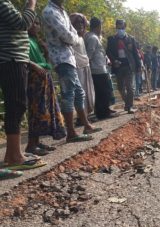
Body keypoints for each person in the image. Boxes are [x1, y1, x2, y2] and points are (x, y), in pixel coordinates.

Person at [43, 0, 101, 143]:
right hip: (61, 58)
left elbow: (73, 32)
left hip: (69, 57)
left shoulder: (61, 11)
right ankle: (71, 132)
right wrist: (76, 38)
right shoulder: (50, 12)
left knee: (79, 93)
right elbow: (68, 36)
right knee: (68, 95)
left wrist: (74, 36)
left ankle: (86, 125)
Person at [0, 0, 46, 174]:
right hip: (11, 60)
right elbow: (23, 24)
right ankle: (15, 157)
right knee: (17, 105)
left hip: (13, 59)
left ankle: (11, 154)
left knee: (15, 105)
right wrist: (31, 4)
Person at [26, 16, 66, 156]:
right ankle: (31, 144)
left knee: (44, 110)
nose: (36, 26)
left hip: (43, 78)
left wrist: (47, 52)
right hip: (34, 79)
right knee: (36, 110)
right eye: (33, 23)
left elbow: (44, 60)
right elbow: (25, 59)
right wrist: (36, 66)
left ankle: (36, 142)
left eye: (37, 23)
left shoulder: (37, 42)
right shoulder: (24, 40)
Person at [84, 17, 117, 120]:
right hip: (97, 69)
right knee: (103, 92)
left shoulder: (91, 36)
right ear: (98, 26)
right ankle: (103, 113)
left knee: (102, 92)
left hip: (99, 68)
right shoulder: (92, 38)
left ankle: (103, 111)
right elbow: (89, 54)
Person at [106, 19, 141, 113]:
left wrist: (138, 66)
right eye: (118, 27)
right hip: (118, 67)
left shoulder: (131, 39)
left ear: (125, 27)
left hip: (129, 66)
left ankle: (129, 106)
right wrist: (114, 61)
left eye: (122, 27)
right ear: (116, 27)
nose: (120, 29)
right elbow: (108, 52)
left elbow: (135, 53)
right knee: (120, 88)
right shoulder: (112, 39)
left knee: (129, 87)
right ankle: (127, 103)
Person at [70, 13, 95, 116]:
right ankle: (81, 117)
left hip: (85, 66)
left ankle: (86, 115)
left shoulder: (81, 37)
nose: (80, 25)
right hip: (77, 67)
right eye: (77, 22)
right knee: (80, 94)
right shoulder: (71, 37)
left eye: (81, 22)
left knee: (88, 92)